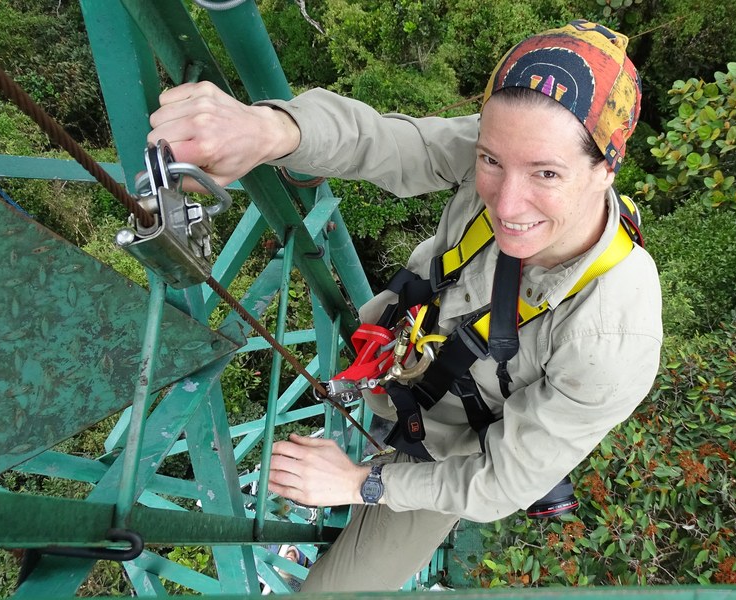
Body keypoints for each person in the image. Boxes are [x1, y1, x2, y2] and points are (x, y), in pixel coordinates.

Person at [147, 20, 662, 592]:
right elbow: (392, 142)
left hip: (447, 454)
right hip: (390, 355)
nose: (507, 203)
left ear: (606, 168)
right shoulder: (509, 139)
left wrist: (360, 484)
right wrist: (271, 131)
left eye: (546, 174)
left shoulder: (613, 336)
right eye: (490, 162)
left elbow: (498, 482)